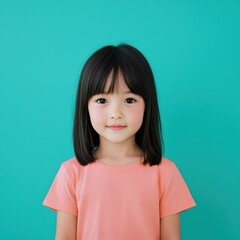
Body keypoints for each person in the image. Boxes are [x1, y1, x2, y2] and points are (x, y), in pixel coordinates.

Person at [43, 44, 196, 240]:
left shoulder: (165, 172)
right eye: (102, 100)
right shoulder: (70, 173)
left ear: (147, 106)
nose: (116, 113)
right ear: (85, 107)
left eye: (130, 100)